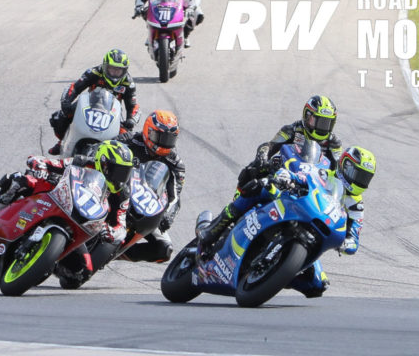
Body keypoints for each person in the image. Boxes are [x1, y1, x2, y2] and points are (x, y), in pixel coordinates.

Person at [197, 145, 377, 298]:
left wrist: (348, 243)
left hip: (314, 231)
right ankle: (216, 226)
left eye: (364, 177)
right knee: (261, 188)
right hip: (293, 207)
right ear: (344, 165)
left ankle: (274, 274)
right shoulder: (323, 172)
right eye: (356, 173)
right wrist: (287, 177)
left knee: (318, 286)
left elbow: (355, 234)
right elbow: (300, 175)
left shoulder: (356, 206)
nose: (358, 180)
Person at [0, 140, 134, 284]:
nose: (120, 178)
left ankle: (49, 262)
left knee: (79, 275)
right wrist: (39, 165)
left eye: (125, 172)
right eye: (117, 170)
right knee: (18, 180)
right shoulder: (82, 162)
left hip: (79, 226)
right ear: (103, 162)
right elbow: (53, 163)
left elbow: (121, 225)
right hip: (58, 201)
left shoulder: (122, 194)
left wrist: (111, 231)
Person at [115, 110, 185, 263]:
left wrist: (168, 217)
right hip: (116, 195)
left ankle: (115, 254)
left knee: (164, 250)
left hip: (146, 207)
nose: (164, 143)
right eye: (160, 137)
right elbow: (102, 151)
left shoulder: (175, 163)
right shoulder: (128, 140)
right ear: (149, 131)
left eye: (169, 139)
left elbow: (175, 197)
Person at [46, 49, 140, 155]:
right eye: (112, 69)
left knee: (127, 135)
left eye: (118, 71)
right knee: (60, 117)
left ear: (125, 71)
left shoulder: (128, 82)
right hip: (89, 105)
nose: (114, 73)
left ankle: (117, 160)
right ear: (105, 66)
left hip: (112, 111)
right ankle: (62, 142)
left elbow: (132, 104)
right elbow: (75, 88)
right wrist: (66, 101)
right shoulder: (94, 72)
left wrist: (130, 120)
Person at [250, 95, 343, 170]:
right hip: (287, 177)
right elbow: (271, 145)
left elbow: (339, 170)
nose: (322, 127)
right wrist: (263, 153)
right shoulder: (292, 130)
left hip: (316, 184)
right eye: (318, 122)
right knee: (253, 168)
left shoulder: (334, 143)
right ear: (307, 116)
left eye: (326, 123)